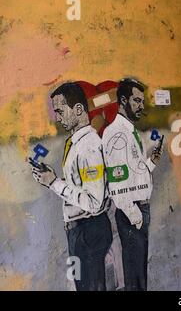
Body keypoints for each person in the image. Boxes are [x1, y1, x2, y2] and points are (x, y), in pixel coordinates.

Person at [29, 82, 112, 291]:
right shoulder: (77, 144)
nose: (57, 118)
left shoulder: (89, 147)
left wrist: (54, 183)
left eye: (60, 111)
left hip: (88, 230)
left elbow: (93, 202)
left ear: (78, 109)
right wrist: (51, 180)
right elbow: (80, 188)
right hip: (80, 230)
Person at [102, 78, 163, 291]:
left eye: (142, 101)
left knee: (139, 277)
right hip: (132, 212)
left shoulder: (129, 130)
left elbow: (133, 174)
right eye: (136, 101)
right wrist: (134, 214)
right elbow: (117, 181)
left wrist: (151, 163)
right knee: (135, 280)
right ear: (123, 100)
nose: (141, 106)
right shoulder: (117, 133)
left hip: (139, 209)